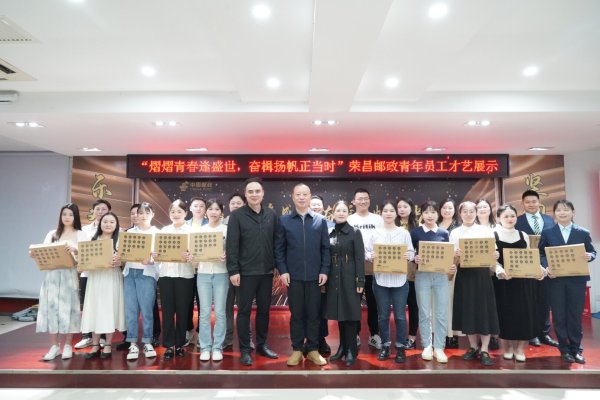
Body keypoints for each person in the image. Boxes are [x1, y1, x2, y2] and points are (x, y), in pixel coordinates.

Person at [275, 184, 330, 366]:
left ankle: (313, 349)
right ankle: (297, 349)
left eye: (305, 194)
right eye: (298, 194)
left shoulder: (320, 220)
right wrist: (283, 270)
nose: (301, 197)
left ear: (310, 196)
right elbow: (279, 249)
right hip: (294, 276)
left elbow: (325, 248)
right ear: (292, 197)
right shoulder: (284, 221)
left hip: (315, 277)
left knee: (314, 315)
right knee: (296, 314)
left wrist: (324, 270)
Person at [226, 177, 279, 366]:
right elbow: (232, 245)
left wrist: (277, 267)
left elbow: (277, 242)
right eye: (250, 192)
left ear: (263, 193)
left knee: (264, 311)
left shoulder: (271, 215)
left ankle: (262, 345)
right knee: (244, 312)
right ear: (245, 194)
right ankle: (245, 350)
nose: (254, 194)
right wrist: (233, 270)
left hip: (266, 272)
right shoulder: (237, 216)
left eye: (257, 191)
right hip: (245, 273)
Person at [539, 200, 596, 364]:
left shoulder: (583, 232)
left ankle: (576, 349)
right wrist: (546, 266)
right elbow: (541, 253)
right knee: (559, 315)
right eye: (558, 210)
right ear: (554, 214)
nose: (562, 213)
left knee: (575, 315)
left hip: (577, 280)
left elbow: (592, 251)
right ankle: (564, 349)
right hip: (555, 280)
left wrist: (590, 256)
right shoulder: (548, 232)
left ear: (573, 212)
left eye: (566, 210)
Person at [33, 203, 87, 361]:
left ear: (75, 216)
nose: (67, 217)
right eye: (64, 214)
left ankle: (68, 344)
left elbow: (86, 258)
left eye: (70, 214)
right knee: (52, 311)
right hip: (52, 277)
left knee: (69, 310)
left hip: (69, 276)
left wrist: (76, 251)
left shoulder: (81, 234)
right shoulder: (52, 234)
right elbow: (43, 252)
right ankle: (54, 346)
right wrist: (34, 254)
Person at [450, 201, 499, 366]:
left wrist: (495, 255)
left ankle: (484, 349)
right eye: (465, 211)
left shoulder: (485, 231)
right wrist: (455, 255)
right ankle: (473, 346)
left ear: (476, 213)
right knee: (468, 311)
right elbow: (451, 259)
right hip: (464, 276)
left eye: (472, 211)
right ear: (460, 213)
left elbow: (493, 254)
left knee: (484, 311)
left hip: (482, 275)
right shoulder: (455, 232)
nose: (469, 214)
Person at [493, 204, 544, 362]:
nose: (510, 219)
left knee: (524, 314)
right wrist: (499, 270)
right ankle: (507, 348)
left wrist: (540, 269)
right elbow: (492, 260)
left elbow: (530, 258)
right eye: (506, 216)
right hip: (503, 281)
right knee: (504, 314)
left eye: (512, 216)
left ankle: (520, 349)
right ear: (498, 218)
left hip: (523, 282)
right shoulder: (493, 234)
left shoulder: (523, 235)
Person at [367, 201, 415, 363]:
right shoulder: (375, 233)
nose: (388, 213)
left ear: (396, 214)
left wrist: (409, 255)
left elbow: (411, 252)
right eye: (385, 210)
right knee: (383, 316)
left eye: (391, 210)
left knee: (400, 316)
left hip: (400, 281)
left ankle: (400, 347)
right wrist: (371, 256)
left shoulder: (403, 233)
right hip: (380, 280)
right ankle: (385, 346)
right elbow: (367, 252)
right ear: (381, 213)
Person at [411, 201, 455, 363]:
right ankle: (427, 346)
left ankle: (439, 347)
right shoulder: (415, 233)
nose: (430, 215)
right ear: (421, 214)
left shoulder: (444, 233)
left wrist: (450, 266)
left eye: (433, 212)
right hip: (422, 275)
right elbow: (410, 253)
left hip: (441, 276)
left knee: (441, 312)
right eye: (426, 212)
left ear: (438, 214)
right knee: (424, 312)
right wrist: (414, 258)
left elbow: (447, 255)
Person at [515, 190, 558, 348]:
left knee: (545, 300)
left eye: (534, 201)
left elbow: (553, 242)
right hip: (526, 264)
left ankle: (544, 333)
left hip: (546, 265)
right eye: (528, 202)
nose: (531, 204)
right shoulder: (517, 221)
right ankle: (532, 333)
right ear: (523, 204)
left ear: (539, 202)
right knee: (529, 300)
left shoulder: (549, 220)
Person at [80, 212, 126, 359]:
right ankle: (95, 345)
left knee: (109, 309)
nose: (108, 224)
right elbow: (84, 260)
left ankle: (107, 344)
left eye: (112, 222)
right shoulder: (93, 239)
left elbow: (126, 260)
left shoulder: (120, 240)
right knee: (95, 309)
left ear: (116, 224)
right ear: (100, 223)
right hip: (95, 278)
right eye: (105, 221)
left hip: (111, 278)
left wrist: (121, 261)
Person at [327, 200, 365, 367]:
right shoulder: (330, 232)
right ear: (333, 213)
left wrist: (360, 280)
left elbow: (359, 258)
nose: (341, 213)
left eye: (344, 210)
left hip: (350, 279)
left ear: (348, 213)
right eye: (338, 211)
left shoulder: (354, 232)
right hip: (334, 279)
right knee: (340, 315)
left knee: (350, 315)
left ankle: (351, 350)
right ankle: (342, 348)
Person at [158, 199, 195, 360]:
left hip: (185, 276)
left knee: (182, 311)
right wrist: (155, 254)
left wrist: (191, 256)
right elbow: (156, 253)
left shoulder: (192, 231)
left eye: (179, 211)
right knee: (167, 312)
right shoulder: (164, 230)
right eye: (173, 211)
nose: (176, 214)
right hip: (166, 275)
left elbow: (197, 255)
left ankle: (179, 344)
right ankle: (168, 345)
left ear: (185, 213)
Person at [122, 202, 159, 360]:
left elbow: (162, 257)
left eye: (147, 213)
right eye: (140, 213)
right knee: (131, 311)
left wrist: (151, 260)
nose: (143, 216)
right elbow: (121, 254)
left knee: (147, 310)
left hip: (147, 274)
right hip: (130, 273)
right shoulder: (129, 233)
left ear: (152, 214)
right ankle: (132, 343)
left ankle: (147, 341)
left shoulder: (157, 233)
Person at [347, 188, 383, 350]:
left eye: (365, 198)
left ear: (369, 200)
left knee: (374, 303)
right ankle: (354, 334)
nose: (363, 201)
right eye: (359, 198)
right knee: (354, 303)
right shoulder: (349, 219)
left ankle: (374, 335)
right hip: (354, 268)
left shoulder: (378, 219)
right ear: (353, 201)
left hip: (374, 268)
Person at [75, 199, 111, 350]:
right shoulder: (84, 230)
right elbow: (80, 251)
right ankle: (87, 336)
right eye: (97, 209)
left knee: (103, 306)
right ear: (93, 211)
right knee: (87, 306)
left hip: (104, 275)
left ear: (109, 211)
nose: (100, 212)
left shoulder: (113, 229)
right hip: (87, 274)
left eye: (104, 209)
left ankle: (102, 337)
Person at [195, 199, 229, 362]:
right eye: (210, 209)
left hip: (222, 273)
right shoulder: (200, 231)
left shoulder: (227, 230)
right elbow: (194, 254)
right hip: (203, 274)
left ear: (221, 212)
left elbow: (233, 251)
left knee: (220, 312)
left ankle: (217, 347)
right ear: (206, 212)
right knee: (204, 313)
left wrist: (227, 256)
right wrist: (191, 256)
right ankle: (205, 346)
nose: (213, 212)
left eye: (217, 209)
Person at [223, 193, 250, 349]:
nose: (235, 205)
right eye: (233, 203)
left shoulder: (248, 221)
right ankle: (227, 337)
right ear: (229, 206)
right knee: (226, 307)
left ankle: (247, 339)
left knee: (244, 307)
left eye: (238, 203)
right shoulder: (222, 223)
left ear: (244, 204)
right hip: (225, 271)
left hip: (244, 270)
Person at [309, 194, 333, 354]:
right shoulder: (303, 223)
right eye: (313, 204)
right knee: (307, 308)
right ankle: (308, 339)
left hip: (325, 272)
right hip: (307, 272)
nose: (316, 206)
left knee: (322, 308)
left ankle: (321, 339)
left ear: (323, 207)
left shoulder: (331, 225)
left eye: (318, 204)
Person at [475, 198, 499, 350]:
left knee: (495, 305)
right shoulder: (472, 228)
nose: (483, 209)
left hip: (497, 272)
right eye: (479, 207)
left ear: (490, 209)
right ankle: (481, 335)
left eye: (485, 206)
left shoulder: (498, 227)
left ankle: (495, 336)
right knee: (481, 306)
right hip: (479, 273)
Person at [396, 197, 419, 350]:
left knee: (413, 306)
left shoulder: (417, 227)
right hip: (394, 272)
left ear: (411, 208)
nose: (402, 209)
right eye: (399, 207)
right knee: (397, 308)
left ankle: (411, 337)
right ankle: (398, 336)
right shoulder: (392, 225)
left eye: (405, 206)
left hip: (412, 273)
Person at [185, 197, 208, 347]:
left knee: (203, 304)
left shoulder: (209, 225)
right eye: (196, 206)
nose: (198, 208)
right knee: (186, 303)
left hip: (204, 270)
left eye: (201, 206)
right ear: (190, 208)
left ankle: (201, 333)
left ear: (205, 209)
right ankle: (188, 330)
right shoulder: (184, 225)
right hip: (187, 270)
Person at [438, 198, 460, 349]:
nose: (447, 210)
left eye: (450, 208)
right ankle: (441, 334)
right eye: (444, 208)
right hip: (437, 270)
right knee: (439, 303)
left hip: (453, 268)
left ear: (455, 210)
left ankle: (453, 335)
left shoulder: (458, 227)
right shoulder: (435, 225)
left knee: (452, 302)